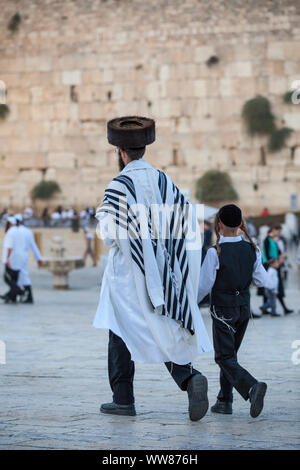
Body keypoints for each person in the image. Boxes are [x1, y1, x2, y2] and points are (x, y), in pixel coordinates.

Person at [94, 116, 212, 420]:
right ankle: (188, 377)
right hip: (162, 275)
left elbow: (110, 235)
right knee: (161, 328)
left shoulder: (119, 185)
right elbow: (185, 226)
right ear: (144, 149)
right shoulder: (165, 182)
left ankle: (123, 400)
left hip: (127, 278)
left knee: (119, 331)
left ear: (120, 152)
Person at [198, 204, 267, 418]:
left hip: (223, 310)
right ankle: (224, 400)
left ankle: (251, 387)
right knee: (231, 356)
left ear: (219, 224)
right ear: (240, 224)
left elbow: (204, 285)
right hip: (244, 309)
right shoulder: (252, 249)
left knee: (224, 357)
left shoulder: (214, 252)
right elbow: (262, 280)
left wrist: (192, 304)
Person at [12, 214, 42, 304]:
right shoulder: (27, 231)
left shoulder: (14, 231)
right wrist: (38, 258)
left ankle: (28, 296)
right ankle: (19, 295)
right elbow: (33, 246)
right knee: (20, 276)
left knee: (21, 276)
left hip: (16, 256)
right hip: (23, 256)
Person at [1, 216, 24, 303]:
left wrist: (7, 259)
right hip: (18, 258)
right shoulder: (19, 231)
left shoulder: (10, 232)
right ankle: (12, 297)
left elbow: (9, 247)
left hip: (11, 259)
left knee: (7, 278)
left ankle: (20, 291)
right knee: (14, 279)